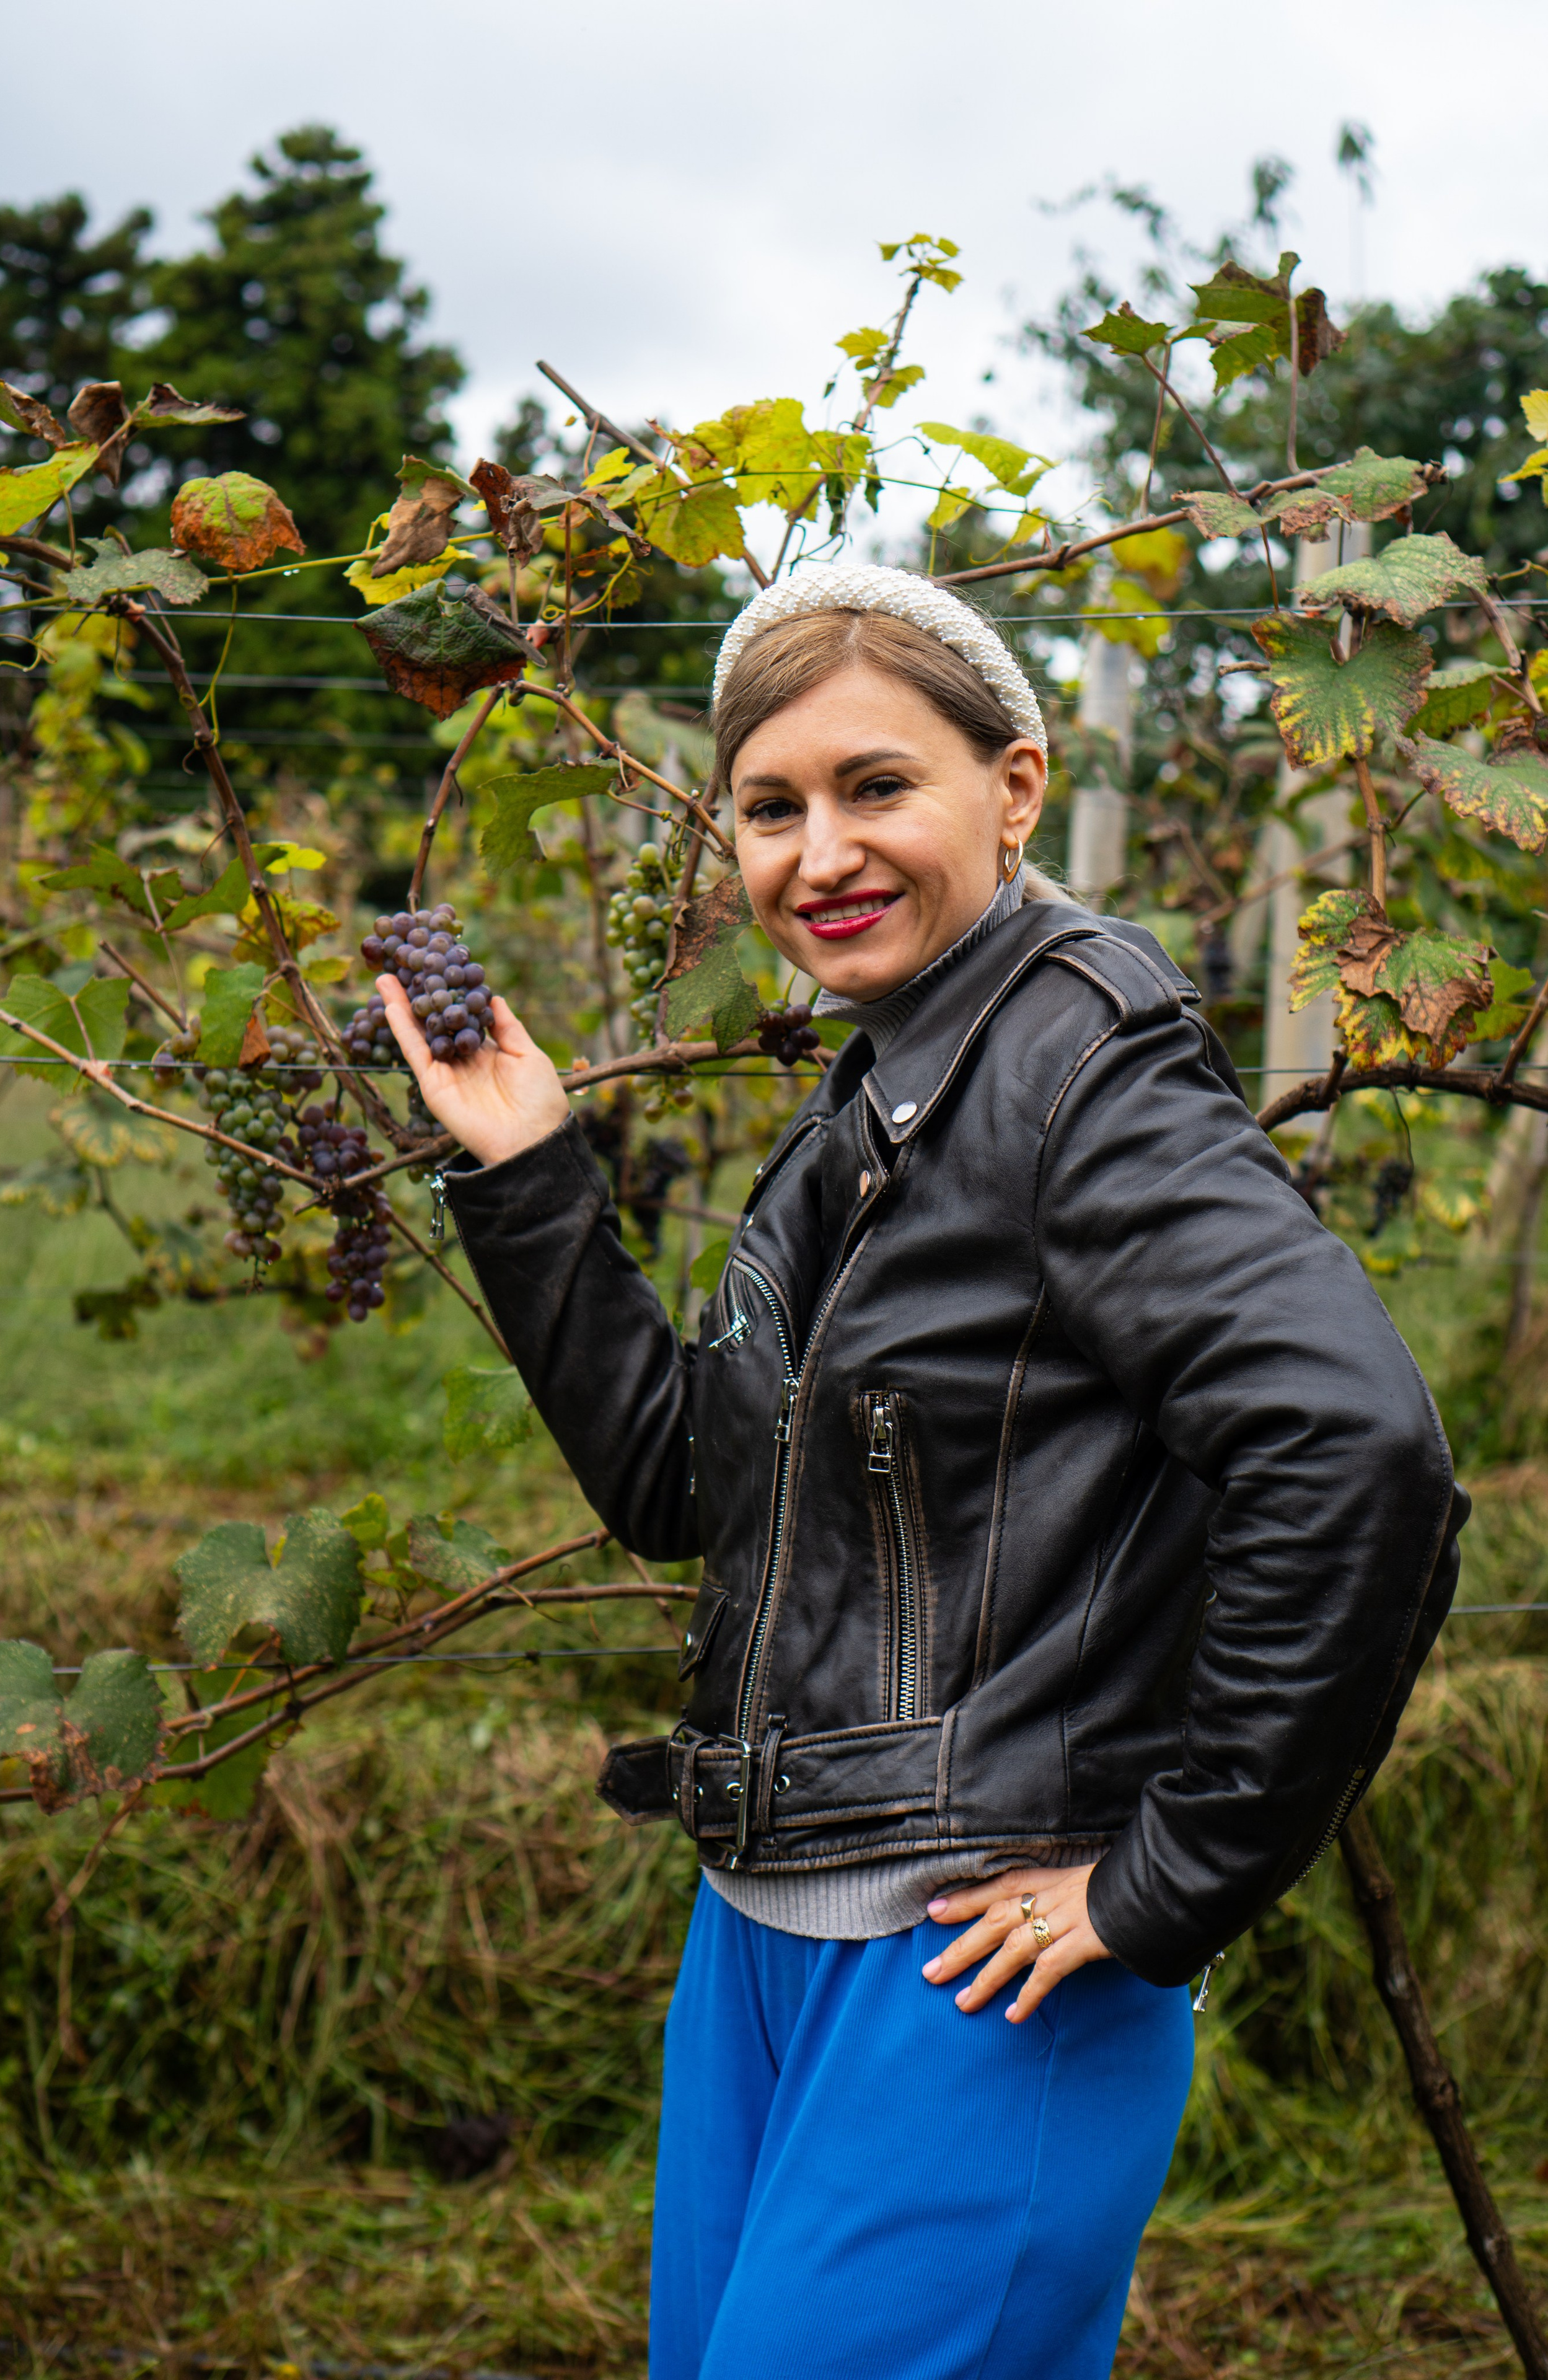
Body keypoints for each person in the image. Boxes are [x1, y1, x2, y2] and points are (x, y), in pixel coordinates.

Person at [378, 563, 1465, 2380]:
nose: (821, 854)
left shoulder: (1077, 1073)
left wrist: (1169, 1877)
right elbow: (687, 1487)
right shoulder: (869, 1108)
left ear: (1015, 788)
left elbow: (1356, 1452)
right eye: (771, 808)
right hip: (772, 1925)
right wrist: (531, 1169)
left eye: (879, 787)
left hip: (980, 1961)